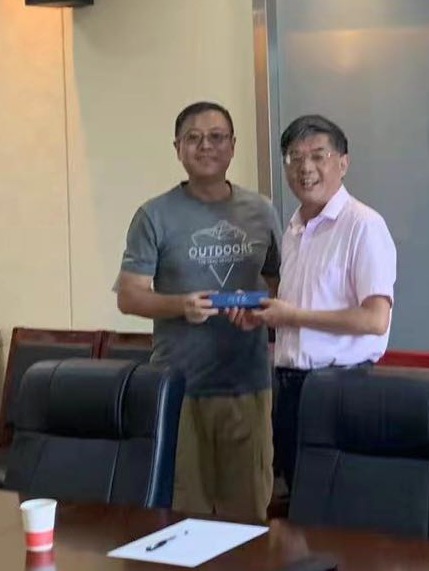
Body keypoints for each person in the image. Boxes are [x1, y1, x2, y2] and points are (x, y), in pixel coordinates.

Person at [116, 101, 282, 520]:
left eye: (217, 137)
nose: (206, 146)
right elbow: (129, 296)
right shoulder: (154, 215)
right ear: (177, 148)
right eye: (193, 138)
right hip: (178, 388)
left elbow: (278, 282)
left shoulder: (261, 211)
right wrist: (180, 306)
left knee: (248, 517)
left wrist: (258, 308)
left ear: (232, 146)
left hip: (248, 385)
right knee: (182, 515)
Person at [235, 114, 397, 491]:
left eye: (318, 156)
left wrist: (293, 315)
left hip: (342, 388)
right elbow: (299, 308)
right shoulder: (293, 230)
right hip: (290, 386)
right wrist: (263, 314)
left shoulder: (363, 225)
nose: (305, 167)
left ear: (343, 163)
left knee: (335, 503)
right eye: (294, 157)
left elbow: (375, 319)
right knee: (297, 498)